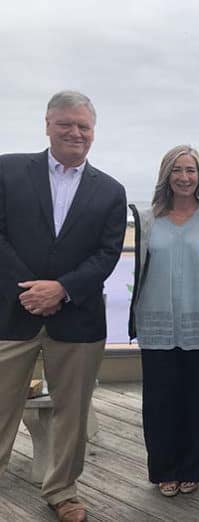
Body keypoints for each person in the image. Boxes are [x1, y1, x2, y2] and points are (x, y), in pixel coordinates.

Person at [0, 91, 126, 522]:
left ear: (93, 132)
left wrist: (61, 289)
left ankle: (63, 491)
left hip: (77, 318)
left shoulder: (111, 191)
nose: (75, 132)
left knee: (72, 415)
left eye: (84, 126)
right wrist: (30, 291)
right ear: (48, 124)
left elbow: (108, 254)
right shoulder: (7, 170)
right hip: (11, 314)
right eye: (66, 124)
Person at [128, 145, 199, 498]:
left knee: (196, 400)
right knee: (159, 401)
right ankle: (163, 470)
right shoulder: (146, 219)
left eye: (191, 170)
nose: (184, 177)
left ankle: (191, 468)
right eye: (177, 170)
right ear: (166, 175)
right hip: (155, 324)